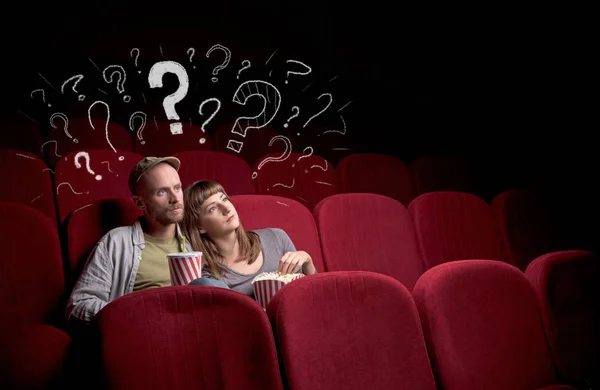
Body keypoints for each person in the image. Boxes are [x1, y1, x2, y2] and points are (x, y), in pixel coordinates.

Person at [66, 156, 190, 323]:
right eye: (162, 191)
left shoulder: (193, 239)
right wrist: (135, 314)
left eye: (177, 188)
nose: (175, 198)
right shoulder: (116, 242)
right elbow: (78, 306)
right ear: (140, 202)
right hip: (141, 333)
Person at [181, 180, 317, 296]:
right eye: (212, 208)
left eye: (224, 199)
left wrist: (308, 263)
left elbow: (313, 297)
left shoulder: (276, 238)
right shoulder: (207, 276)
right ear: (200, 227)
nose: (226, 208)